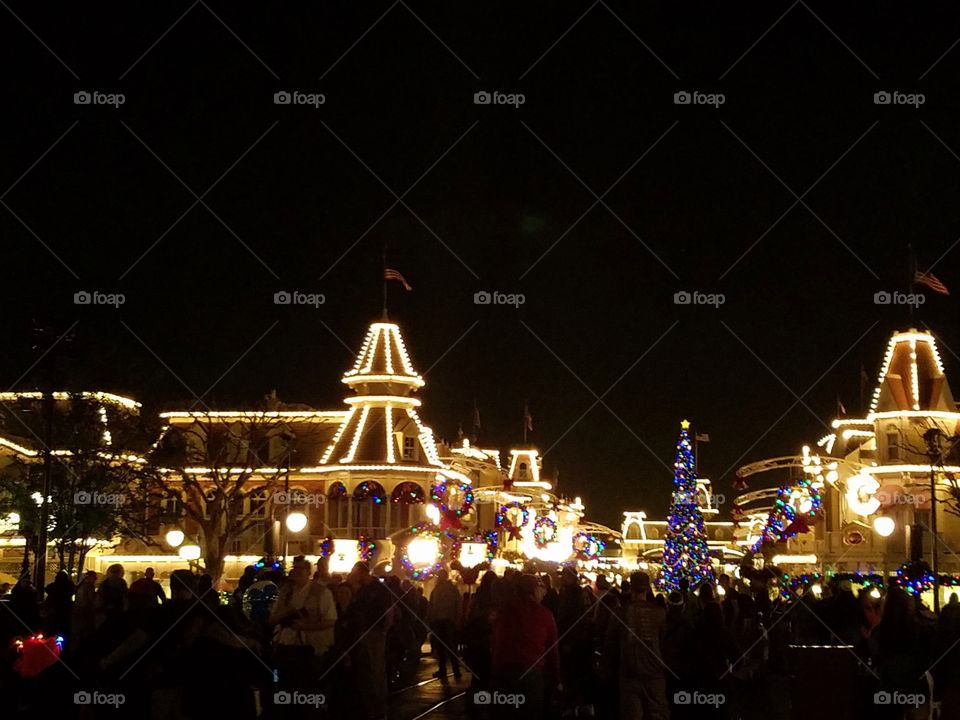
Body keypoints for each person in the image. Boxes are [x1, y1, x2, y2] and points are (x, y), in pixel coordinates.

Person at [492, 573, 559, 719]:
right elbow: (552, 649)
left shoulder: (505, 611)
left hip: (505, 673)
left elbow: (497, 640)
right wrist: (554, 677)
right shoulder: (544, 614)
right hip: (531, 674)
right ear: (535, 591)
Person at [270, 557, 337, 695]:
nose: (297, 571)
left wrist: (306, 626)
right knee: (285, 685)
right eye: (295, 568)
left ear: (308, 572)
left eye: (301, 568)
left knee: (307, 687)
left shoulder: (321, 592)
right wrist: (287, 613)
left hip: (310, 647)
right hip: (285, 643)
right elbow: (272, 618)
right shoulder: (285, 592)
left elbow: (330, 620)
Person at [607, 572, 668, 720]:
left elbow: (609, 642)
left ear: (631, 588)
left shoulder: (620, 613)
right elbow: (664, 641)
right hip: (654, 671)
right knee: (658, 714)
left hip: (629, 671)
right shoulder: (659, 613)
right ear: (647, 588)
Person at [344, 561, 392, 720]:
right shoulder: (361, 589)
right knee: (365, 670)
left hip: (375, 632)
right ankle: (369, 705)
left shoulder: (379, 588)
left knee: (376, 670)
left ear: (362, 573)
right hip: (362, 632)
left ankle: (380, 707)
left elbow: (388, 610)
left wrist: (384, 631)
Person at [428, 569, 462, 681]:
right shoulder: (450, 589)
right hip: (443, 621)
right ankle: (449, 670)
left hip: (446, 621)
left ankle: (451, 670)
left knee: (447, 647)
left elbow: (433, 605)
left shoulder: (445, 589)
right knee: (445, 648)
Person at [42, 570, 75, 636]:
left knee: (55, 627)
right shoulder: (69, 585)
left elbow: (47, 589)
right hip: (65, 609)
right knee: (64, 628)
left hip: (55, 609)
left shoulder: (54, 586)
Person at [95, 563, 127, 627]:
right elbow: (124, 597)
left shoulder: (105, 583)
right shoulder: (121, 583)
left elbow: (99, 597)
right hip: (117, 610)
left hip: (105, 610)